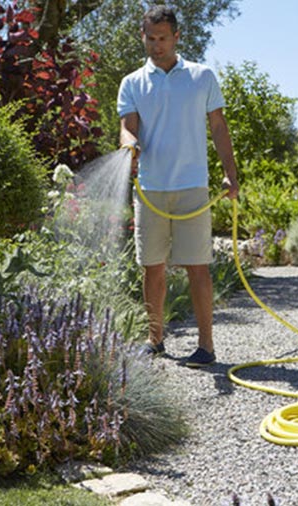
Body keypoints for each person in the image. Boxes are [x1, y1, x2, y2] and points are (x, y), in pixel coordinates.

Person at [117, 5, 239, 368]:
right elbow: (128, 125)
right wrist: (128, 143)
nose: (156, 46)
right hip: (151, 189)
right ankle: (155, 340)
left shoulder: (202, 77)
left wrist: (231, 174)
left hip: (192, 188)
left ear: (176, 37)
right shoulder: (132, 82)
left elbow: (218, 127)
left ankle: (206, 347)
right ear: (144, 36)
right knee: (152, 267)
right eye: (150, 39)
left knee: (197, 266)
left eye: (163, 39)